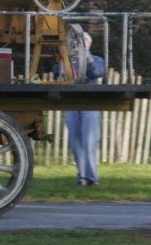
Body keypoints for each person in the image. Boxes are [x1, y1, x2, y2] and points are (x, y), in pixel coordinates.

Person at [56, 32, 106, 186]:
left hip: (90, 105)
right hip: (72, 103)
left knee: (89, 141)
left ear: (89, 44)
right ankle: (82, 177)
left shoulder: (97, 59)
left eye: (83, 42)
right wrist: (67, 56)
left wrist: (87, 56)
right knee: (75, 142)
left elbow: (97, 72)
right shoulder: (69, 60)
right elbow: (57, 71)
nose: (80, 45)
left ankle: (93, 178)